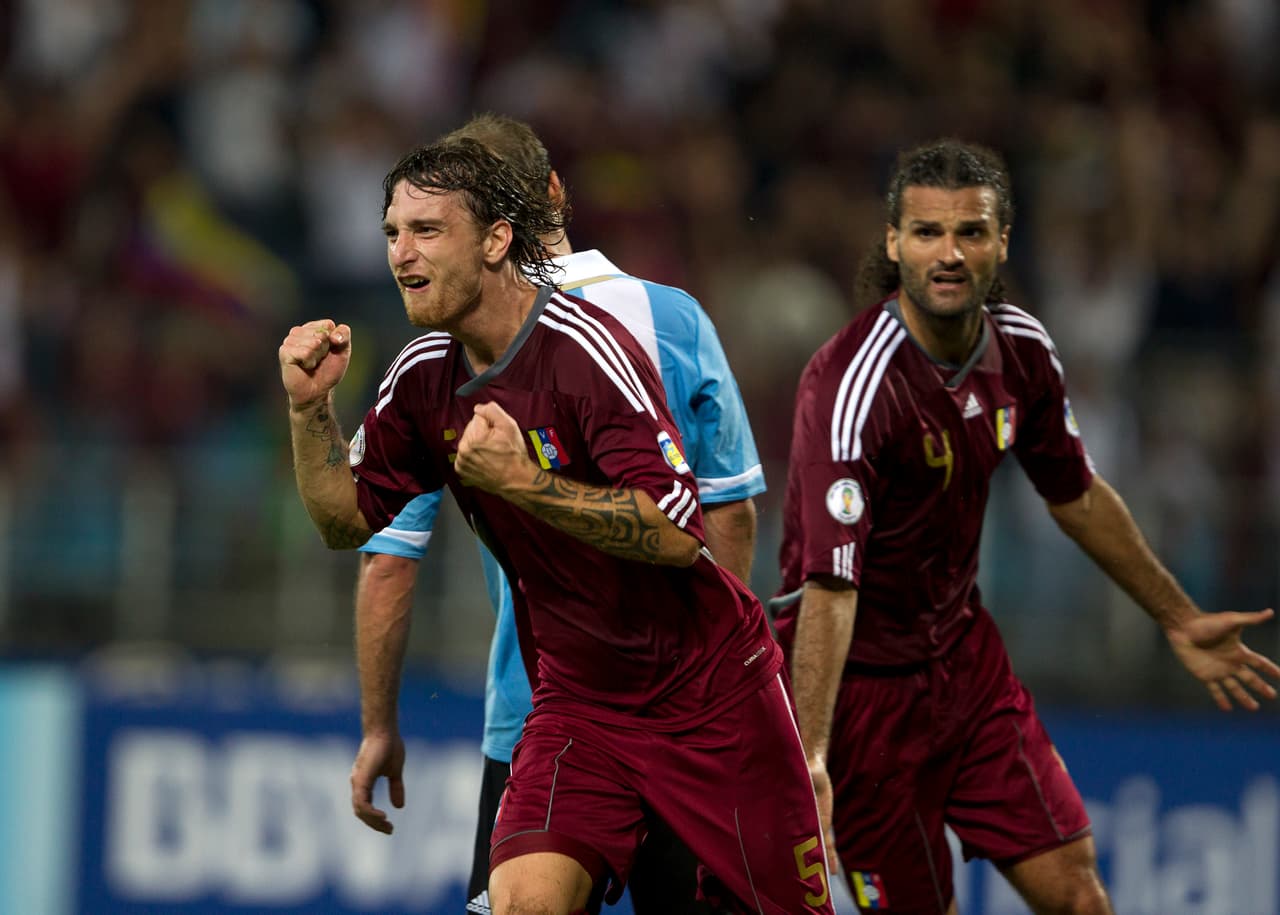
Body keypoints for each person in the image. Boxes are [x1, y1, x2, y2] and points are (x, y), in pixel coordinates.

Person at [279, 137, 835, 915]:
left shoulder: (587, 354)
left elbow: (678, 531)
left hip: (712, 701)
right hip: (578, 705)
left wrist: (526, 483)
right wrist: (310, 411)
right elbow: (345, 523)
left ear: (497, 238)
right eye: (392, 233)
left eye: (427, 230)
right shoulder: (422, 375)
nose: (402, 253)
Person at [771, 138, 1280, 915]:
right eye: (927, 232)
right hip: (863, 700)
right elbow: (828, 587)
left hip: (968, 670)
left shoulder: (1022, 347)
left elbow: (1075, 494)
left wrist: (1178, 615)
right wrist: (809, 753)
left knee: (1079, 893)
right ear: (892, 242)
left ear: (1003, 241)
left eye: (970, 232)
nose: (949, 253)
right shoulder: (850, 384)